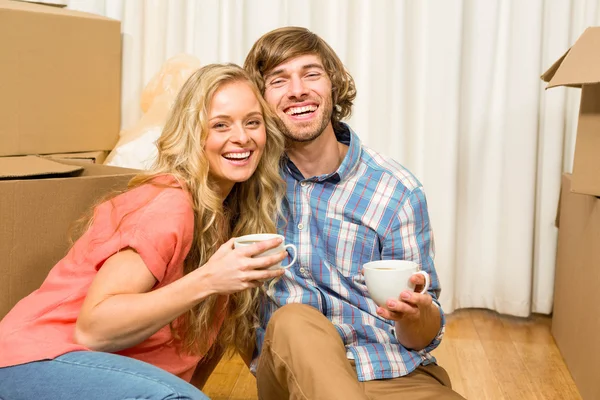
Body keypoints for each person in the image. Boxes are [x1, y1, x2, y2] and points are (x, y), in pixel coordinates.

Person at [0, 64, 288, 400]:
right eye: (220, 125)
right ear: (192, 133)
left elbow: (197, 352)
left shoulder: (229, 219)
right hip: (32, 361)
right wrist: (209, 279)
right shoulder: (169, 204)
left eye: (252, 122)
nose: (242, 137)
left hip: (95, 373)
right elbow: (94, 329)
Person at [243, 27, 466, 399]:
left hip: (393, 373)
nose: (297, 89)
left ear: (333, 85)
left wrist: (416, 314)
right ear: (261, 100)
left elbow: (423, 336)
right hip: (293, 371)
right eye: (278, 80)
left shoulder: (396, 190)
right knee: (294, 319)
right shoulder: (248, 180)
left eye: (311, 73)